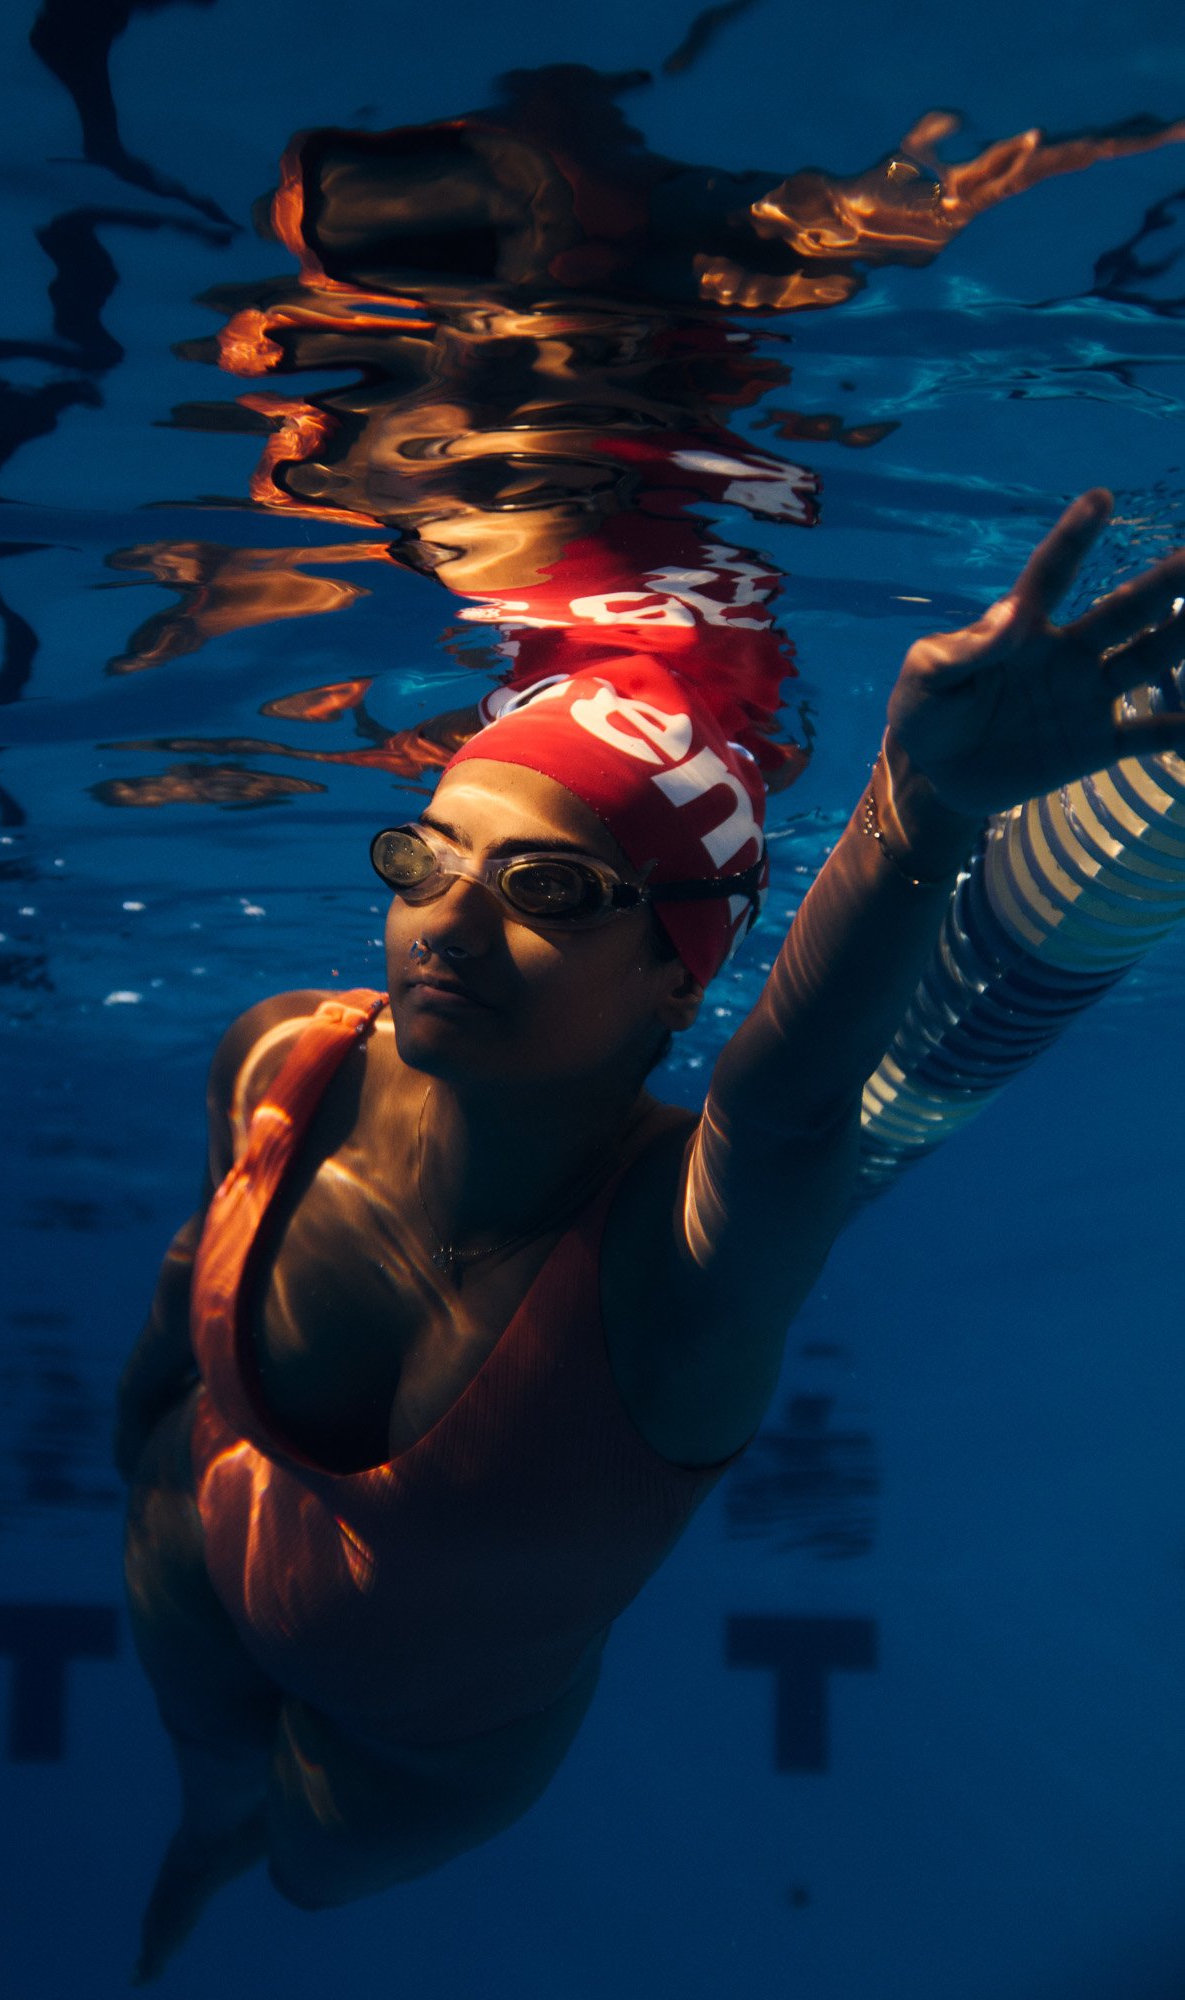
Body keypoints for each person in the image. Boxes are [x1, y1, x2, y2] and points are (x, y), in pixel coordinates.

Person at [116, 490, 1184, 1979]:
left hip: (421, 1751)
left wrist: (924, 809)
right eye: (426, 859)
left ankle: (229, 1857)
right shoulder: (282, 1051)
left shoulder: (674, 1271)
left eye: (547, 888)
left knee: (300, 1880)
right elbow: (187, 1291)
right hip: (185, 1562)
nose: (448, 922)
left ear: (677, 976)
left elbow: (791, 1113)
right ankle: (201, 1829)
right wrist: (139, 1429)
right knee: (209, 1787)